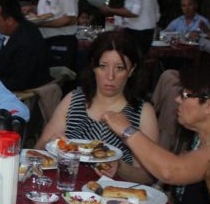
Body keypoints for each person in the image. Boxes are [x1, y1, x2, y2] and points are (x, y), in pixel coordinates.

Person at [102, 63, 210, 204]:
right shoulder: (194, 139)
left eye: (185, 94)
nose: (177, 99)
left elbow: (171, 171)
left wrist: (128, 131)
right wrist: (120, 166)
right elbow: (161, 178)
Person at [37, 30, 159, 184]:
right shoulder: (74, 100)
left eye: (119, 68)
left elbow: (148, 176)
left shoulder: (143, 112)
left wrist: (120, 167)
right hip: (67, 189)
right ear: (93, 66)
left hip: (116, 199)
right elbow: (37, 150)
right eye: (103, 66)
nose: (110, 76)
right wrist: (52, 145)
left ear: (132, 70)